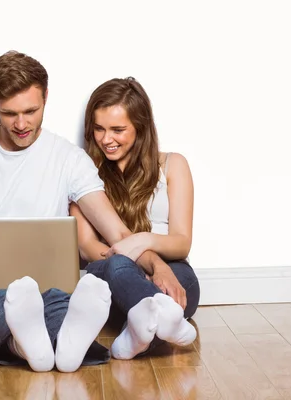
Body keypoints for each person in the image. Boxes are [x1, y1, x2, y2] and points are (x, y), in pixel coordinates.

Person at [0, 52, 173, 373]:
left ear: (46, 97)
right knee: (1, 303)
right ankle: (50, 344)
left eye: (31, 111)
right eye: (9, 113)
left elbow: (118, 234)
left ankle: (35, 347)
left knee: (56, 301)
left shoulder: (70, 159)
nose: (21, 123)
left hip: (48, 287)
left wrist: (157, 264)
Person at [70, 77, 200, 360]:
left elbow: (181, 243)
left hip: (170, 266)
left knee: (184, 283)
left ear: (140, 128)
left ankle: (137, 334)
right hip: (110, 269)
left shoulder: (173, 165)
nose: (106, 139)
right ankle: (161, 326)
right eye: (99, 129)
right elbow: (87, 246)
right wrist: (136, 263)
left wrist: (144, 244)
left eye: (118, 129)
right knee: (118, 267)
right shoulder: (82, 171)